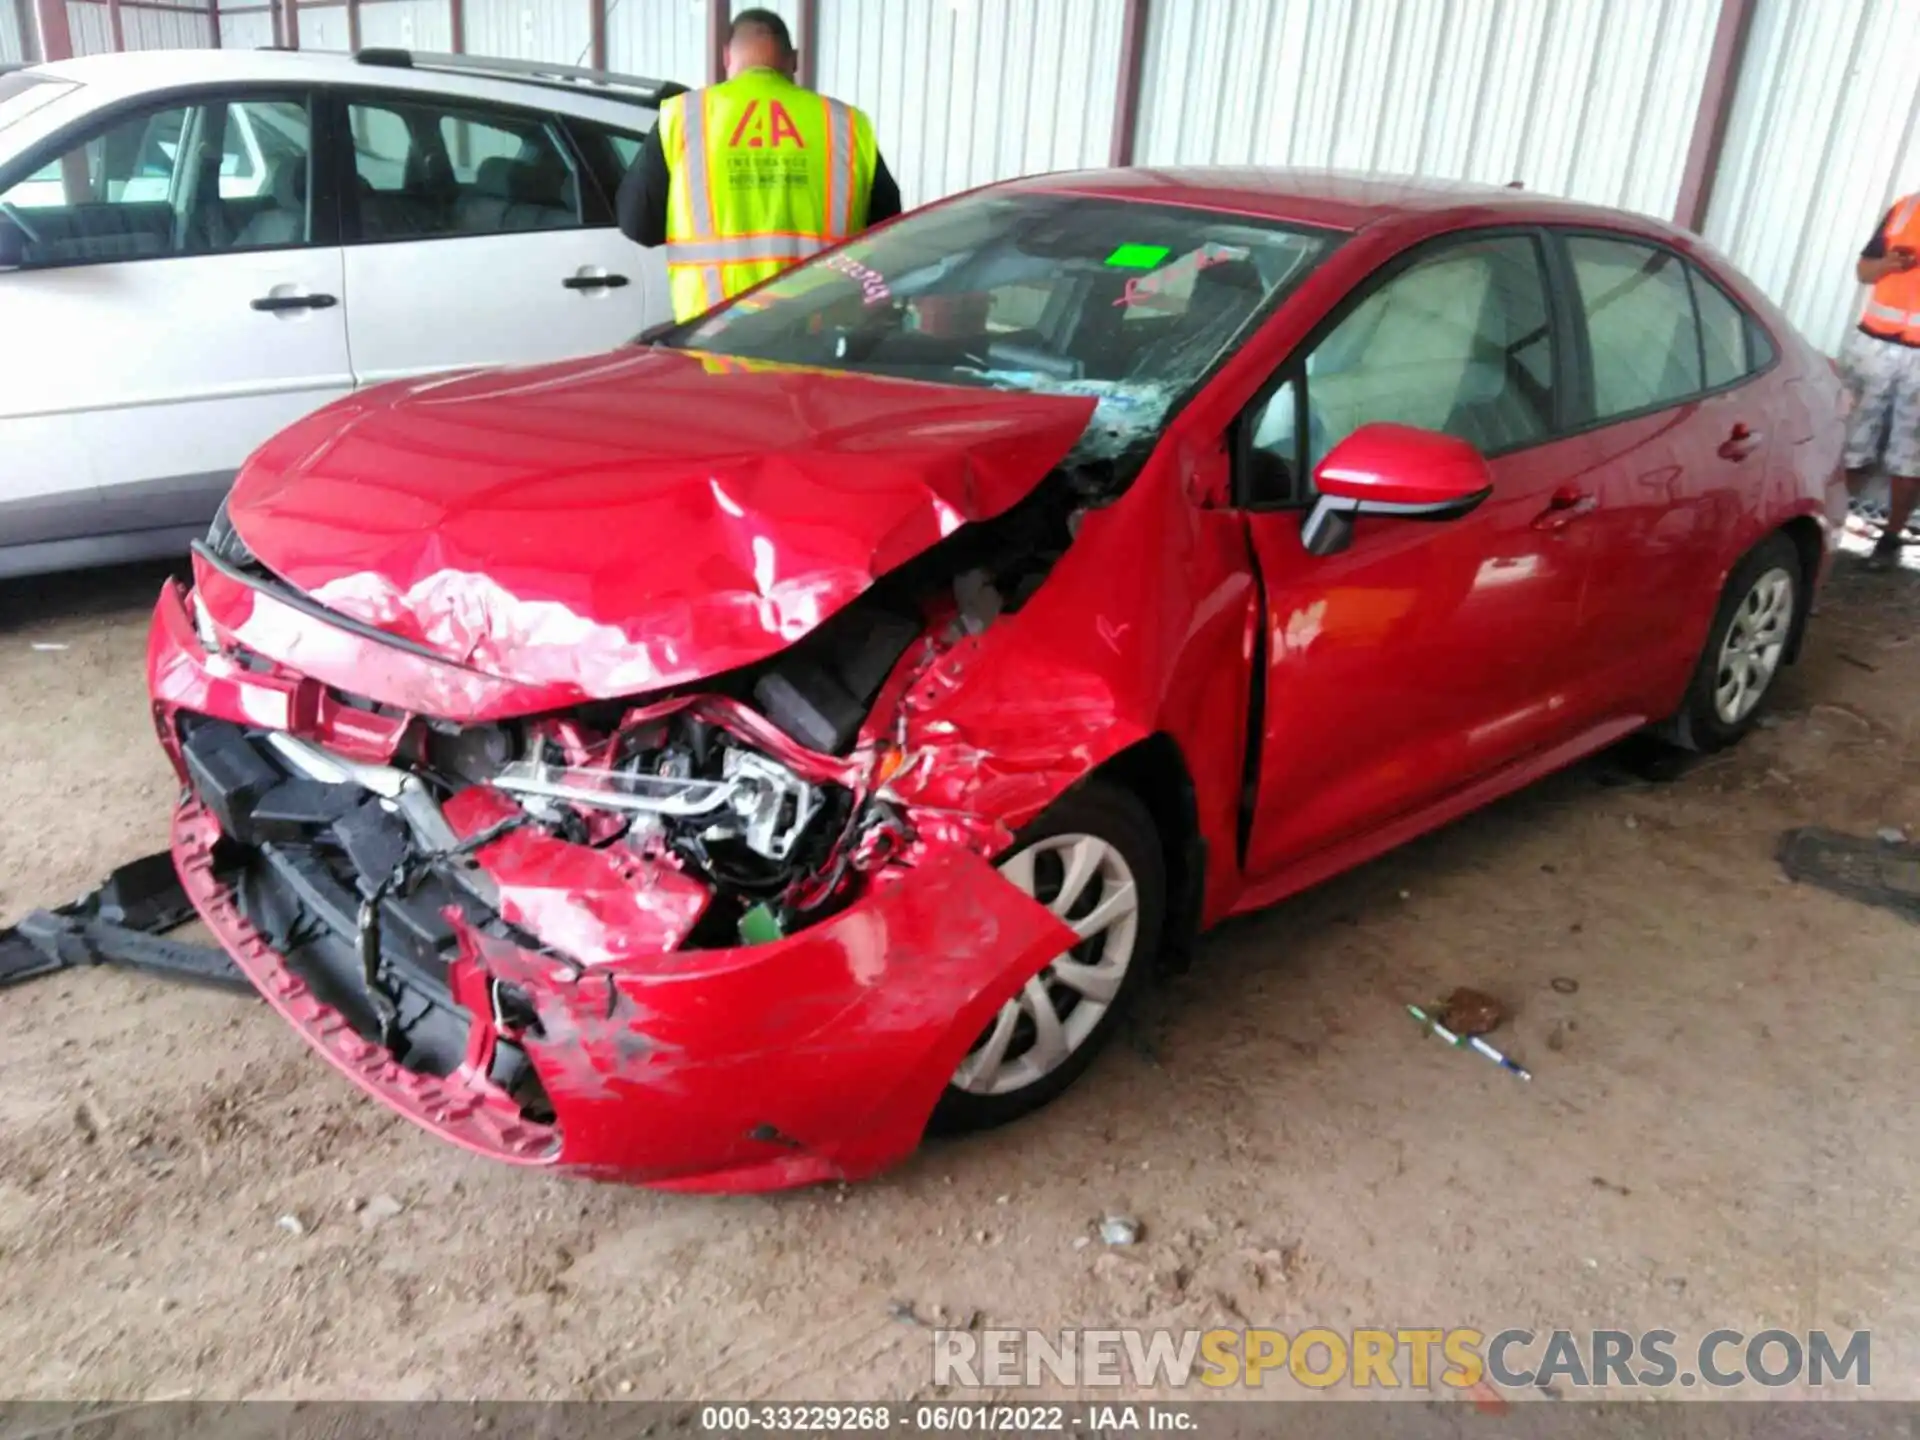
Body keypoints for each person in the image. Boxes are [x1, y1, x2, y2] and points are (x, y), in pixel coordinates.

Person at [617, 8, 903, 323]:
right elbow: (888, 233)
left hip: (713, 331)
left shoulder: (683, 117)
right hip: (821, 330)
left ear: (727, 57)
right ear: (794, 60)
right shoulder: (846, 124)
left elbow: (638, 225)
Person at [1841, 191, 1920, 571]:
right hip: (1873, 348)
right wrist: (1889, 263)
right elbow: (1863, 272)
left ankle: (1891, 539)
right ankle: (1831, 527)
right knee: (1852, 444)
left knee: (1910, 455)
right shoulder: (1905, 209)